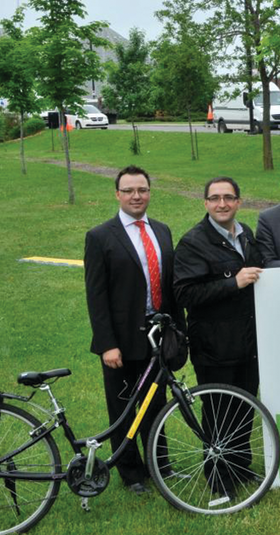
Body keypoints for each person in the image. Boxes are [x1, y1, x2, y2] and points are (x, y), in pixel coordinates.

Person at [84, 165, 182, 496]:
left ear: (150, 192)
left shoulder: (163, 230)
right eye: (129, 191)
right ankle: (131, 472)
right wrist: (107, 344)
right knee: (124, 407)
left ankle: (160, 465)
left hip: (157, 336)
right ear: (117, 195)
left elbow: (169, 285)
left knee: (156, 404)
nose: (136, 196)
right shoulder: (100, 237)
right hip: (122, 340)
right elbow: (96, 296)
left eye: (142, 190)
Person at [173, 176, 264, 496]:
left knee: (244, 407)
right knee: (218, 412)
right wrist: (232, 282)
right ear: (205, 204)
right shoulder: (193, 242)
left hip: (249, 342)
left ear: (239, 201)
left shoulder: (246, 235)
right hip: (214, 345)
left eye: (228, 197)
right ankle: (218, 476)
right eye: (215, 198)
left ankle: (241, 466)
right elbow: (185, 294)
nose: (222, 204)